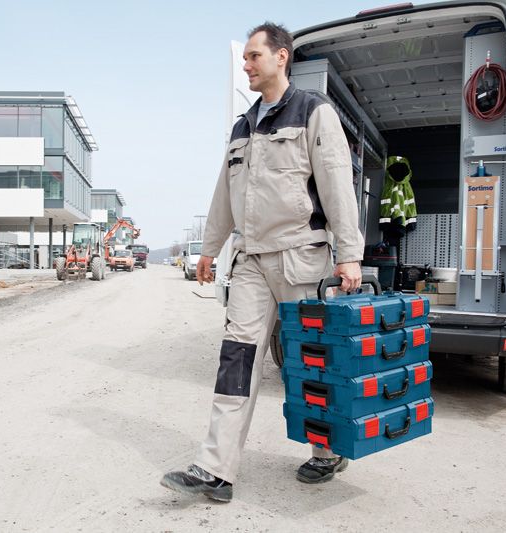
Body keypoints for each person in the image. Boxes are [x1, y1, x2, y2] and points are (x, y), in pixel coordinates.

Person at [160, 22, 363, 502]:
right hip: (251, 262)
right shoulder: (242, 126)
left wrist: (350, 254)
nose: (246, 65)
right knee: (237, 360)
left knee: (309, 363)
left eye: (254, 56)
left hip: (301, 260)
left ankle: (325, 450)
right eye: (245, 58)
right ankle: (216, 470)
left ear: (281, 57)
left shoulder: (314, 112)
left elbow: (337, 185)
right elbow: (224, 193)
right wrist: (210, 248)